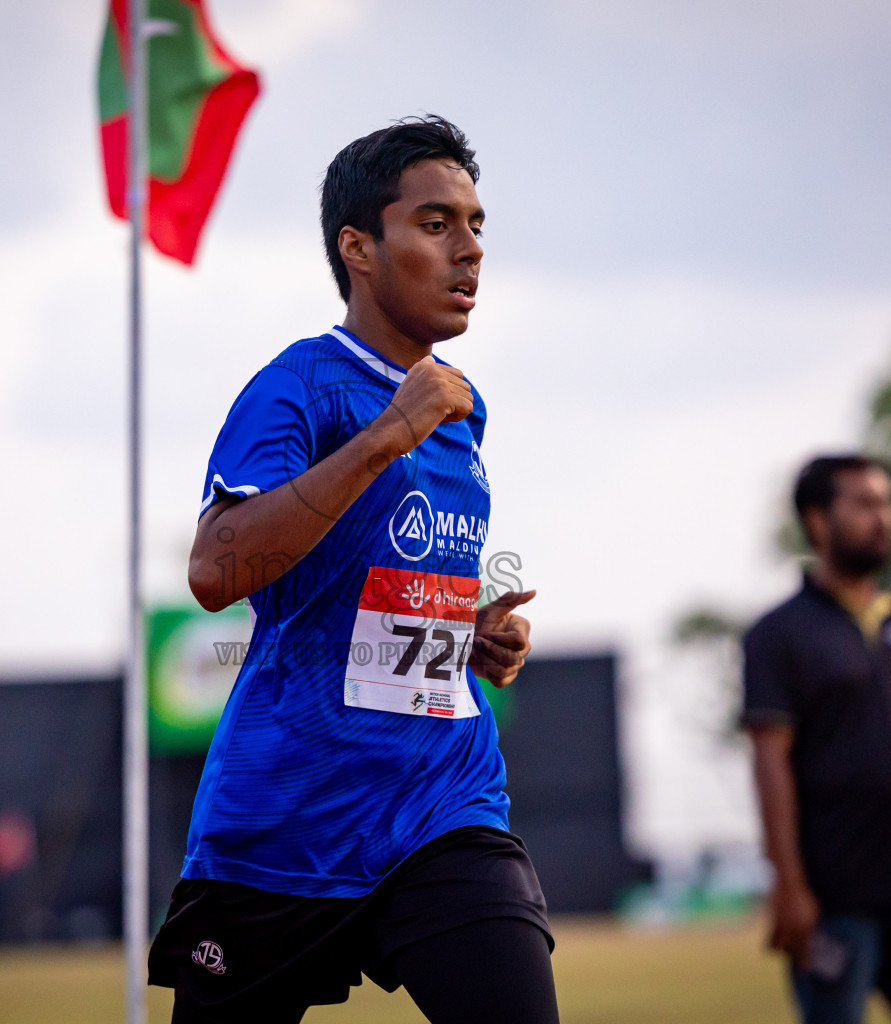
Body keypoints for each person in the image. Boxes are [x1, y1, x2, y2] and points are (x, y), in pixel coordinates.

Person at [147, 116, 557, 1024]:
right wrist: (387, 434)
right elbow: (217, 570)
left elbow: (372, 595)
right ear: (359, 248)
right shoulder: (299, 385)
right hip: (286, 826)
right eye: (436, 224)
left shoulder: (462, 409)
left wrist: (461, 636)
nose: (469, 250)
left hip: (443, 806)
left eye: (476, 225)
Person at [742, 454, 891, 1024]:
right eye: (864, 505)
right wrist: (789, 886)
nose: (883, 518)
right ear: (817, 521)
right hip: (833, 904)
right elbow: (770, 762)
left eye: (886, 503)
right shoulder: (778, 634)